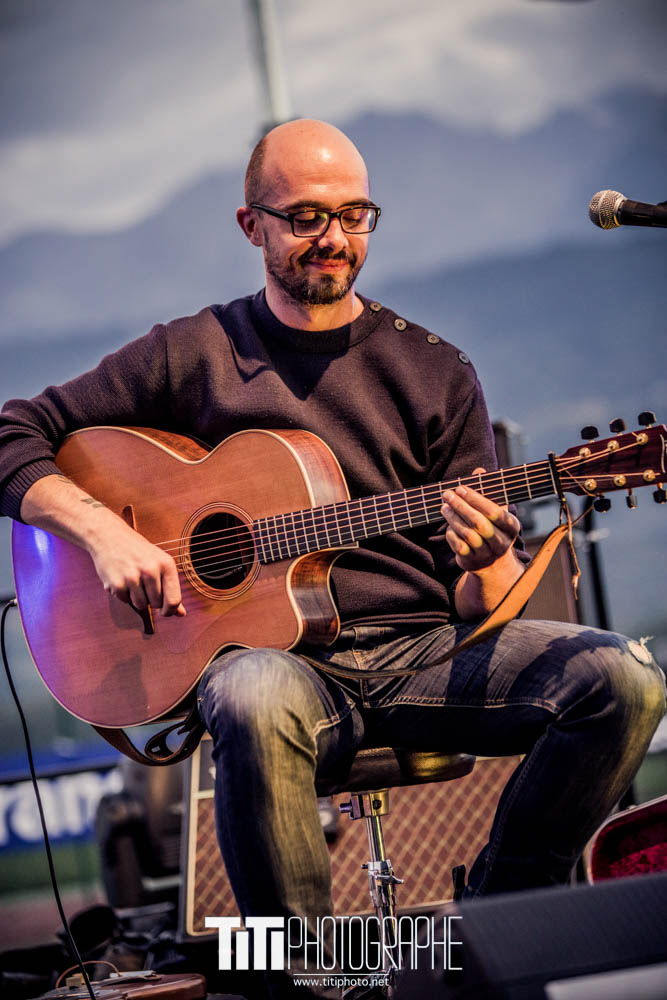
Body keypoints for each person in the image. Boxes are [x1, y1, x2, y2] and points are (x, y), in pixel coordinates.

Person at [0, 120, 664, 999]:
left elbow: (478, 601)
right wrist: (105, 532)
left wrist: (483, 559)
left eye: (355, 215)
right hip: (281, 668)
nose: (335, 239)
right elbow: (15, 433)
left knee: (623, 681)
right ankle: (316, 982)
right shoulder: (191, 353)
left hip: (422, 655)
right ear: (252, 226)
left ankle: (499, 930)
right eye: (308, 216)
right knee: (250, 688)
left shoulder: (433, 370)